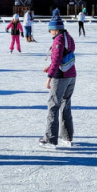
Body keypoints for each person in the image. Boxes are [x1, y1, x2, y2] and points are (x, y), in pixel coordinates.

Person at [39, 10, 76, 149]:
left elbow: (56, 60)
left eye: (50, 30)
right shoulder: (68, 36)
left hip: (60, 77)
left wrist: (49, 77)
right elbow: (66, 54)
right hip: (72, 75)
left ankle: (50, 139)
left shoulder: (58, 40)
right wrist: (51, 66)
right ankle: (67, 137)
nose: (50, 33)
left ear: (54, 29)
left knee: (53, 106)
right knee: (65, 105)